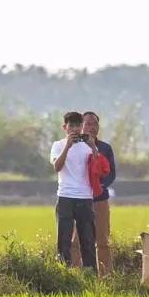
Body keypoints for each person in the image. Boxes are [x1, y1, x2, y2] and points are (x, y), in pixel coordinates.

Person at [69, 110, 117, 275]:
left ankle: (105, 276)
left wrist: (98, 186)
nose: (92, 127)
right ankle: (76, 275)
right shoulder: (73, 146)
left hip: (99, 200)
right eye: (88, 123)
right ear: (81, 126)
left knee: (102, 240)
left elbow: (111, 174)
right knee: (74, 241)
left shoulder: (105, 148)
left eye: (95, 123)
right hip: (78, 199)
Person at [50, 111, 98, 273]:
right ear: (65, 127)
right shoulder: (58, 145)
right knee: (64, 240)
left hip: (85, 197)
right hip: (65, 197)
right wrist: (67, 147)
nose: (75, 129)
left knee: (88, 241)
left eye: (78, 125)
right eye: (71, 125)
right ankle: (63, 274)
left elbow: (99, 170)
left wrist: (93, 148)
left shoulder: (88, 146)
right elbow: (57, 167)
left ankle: (90, 276)